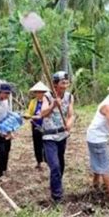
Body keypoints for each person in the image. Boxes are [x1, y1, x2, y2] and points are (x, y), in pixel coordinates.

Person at [41, 71, 75, 203]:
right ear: (55, 84)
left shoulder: (69, 97)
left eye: (66, 82)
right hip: (49, 136)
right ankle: (57, 196)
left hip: (62, 135)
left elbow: (71, 114)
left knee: (60, 164)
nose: (65, 85)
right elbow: (43, 113)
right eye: (62, 83)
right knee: (54, 166)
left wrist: (69, 123)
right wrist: (53, 105)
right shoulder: (48, 96)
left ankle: (57, 184)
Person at [25, 81, 49, 170]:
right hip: (35, 126)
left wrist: (36, 116)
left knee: (46, 143)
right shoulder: (33, 102)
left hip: (45, 126)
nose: (39, 94)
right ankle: (39, 161)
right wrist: (28, 116)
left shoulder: (47, 101)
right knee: (37, 144)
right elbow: (29, 112)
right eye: (37, 92)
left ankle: (47, 160)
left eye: (41, 92)